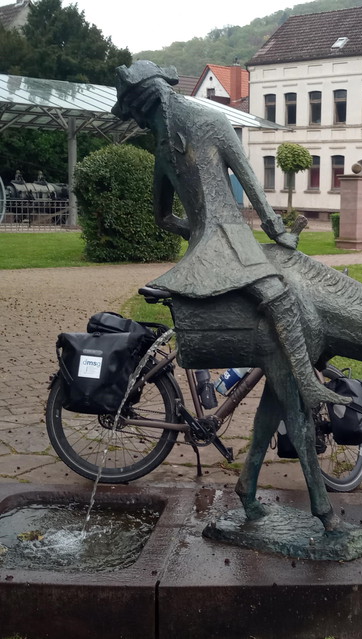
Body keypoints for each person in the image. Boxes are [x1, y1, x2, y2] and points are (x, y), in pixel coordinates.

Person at [112, 60, 346, 410]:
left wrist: (198, 235)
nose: (142, 123)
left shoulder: (162, 152)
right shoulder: (212, 122)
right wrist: (276, 231)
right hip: (234, 240)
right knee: (279, 297)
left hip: (202, 251)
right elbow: (250, 182)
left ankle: (205, 379)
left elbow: (162, 218)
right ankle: (308, 387)